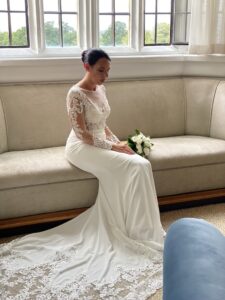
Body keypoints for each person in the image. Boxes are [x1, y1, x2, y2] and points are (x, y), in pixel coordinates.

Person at [0, 48, 165, 299]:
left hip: (101, 142)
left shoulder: (102, 89)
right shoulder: (75, 93)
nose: (105, 76)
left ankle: (142, 229)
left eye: (108, 71)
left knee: (140, 163)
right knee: (139, 166)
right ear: (86, 67)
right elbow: (82, 134)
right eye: (101, 70)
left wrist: (122, 144)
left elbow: (102, 124)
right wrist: (114, 147)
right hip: (81, 148)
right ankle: (139, 232)